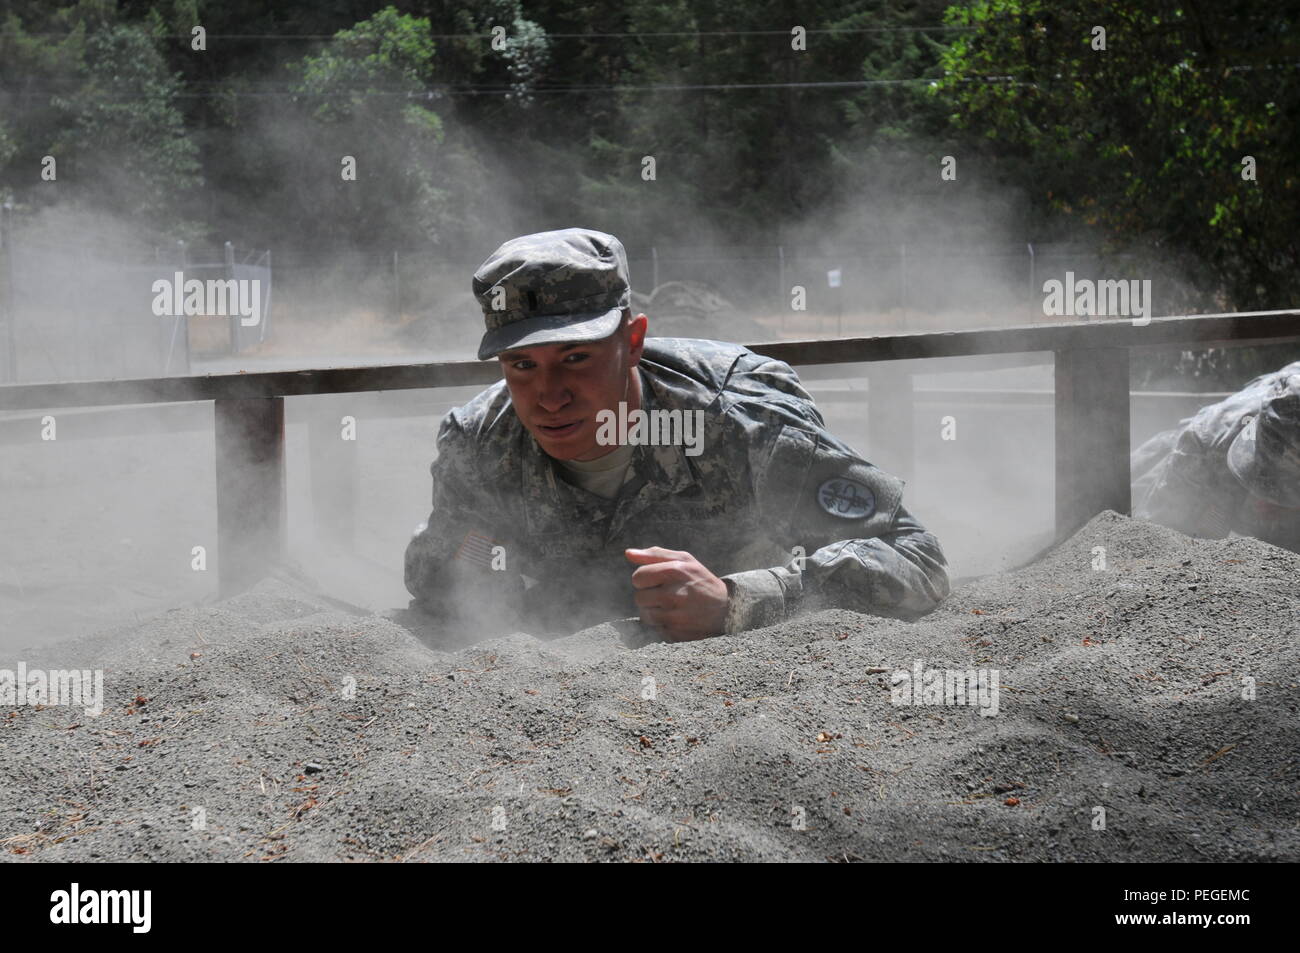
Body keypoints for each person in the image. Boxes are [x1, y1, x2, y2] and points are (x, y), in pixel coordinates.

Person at [403, 227, 949, 641]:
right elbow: (438, 569)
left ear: (633, 341)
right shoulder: (480, 441)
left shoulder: (739, 418)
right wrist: (480, 562)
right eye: (521, 365)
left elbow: (917, 558)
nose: (550, 394)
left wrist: (738, 599)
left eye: (575, 358)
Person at [1132, 362, 1300, 551]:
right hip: (1200, 462)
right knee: (1129, 496)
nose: (1267, 498)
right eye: (1267, 477)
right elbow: (1154, 536)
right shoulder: (1206, 440)